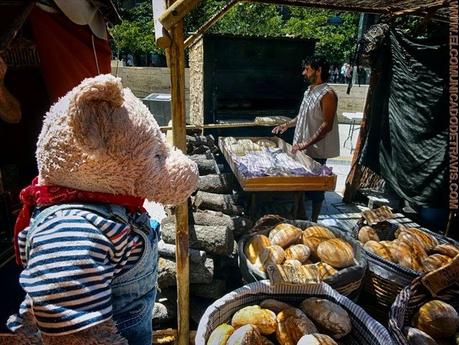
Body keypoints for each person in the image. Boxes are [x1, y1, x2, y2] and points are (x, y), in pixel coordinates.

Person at [272, 56, 340, 222]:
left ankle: (314, 221)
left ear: (319, 71)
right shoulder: (309, 91)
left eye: (308, 69)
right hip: (301, 147)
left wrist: (305, 143)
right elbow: (302, 116)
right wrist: (287, 125)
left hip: (316, 149)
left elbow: (326, 125)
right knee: (299, 183)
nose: (304, 72)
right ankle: (299, 214)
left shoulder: (328, 94)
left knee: (316, 187)